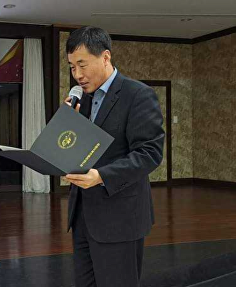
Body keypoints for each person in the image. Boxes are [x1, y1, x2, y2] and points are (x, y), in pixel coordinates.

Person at [64, 26, 165, 287]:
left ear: (106, 57)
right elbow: (81, 150)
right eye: (72, 67)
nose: (78, 75)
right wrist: (67, 126)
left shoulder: (138, 95)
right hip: (83, 215)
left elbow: (149, 153)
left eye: (82, 65)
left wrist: (102, 176)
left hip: (120, 218)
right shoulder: (82, 100)